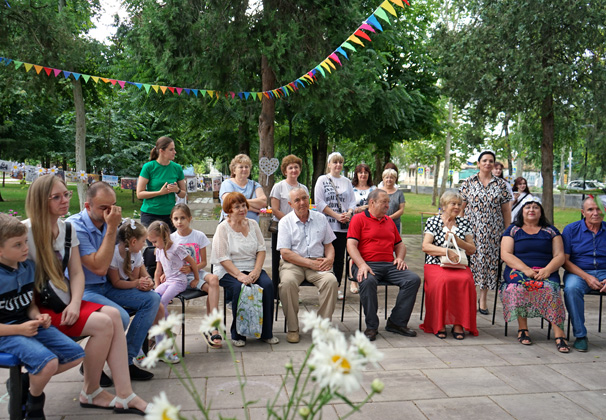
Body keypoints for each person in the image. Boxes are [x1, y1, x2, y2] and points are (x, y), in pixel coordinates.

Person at [25, 176, 150, 414]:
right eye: (57, 197)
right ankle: (91, 390)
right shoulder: (25, 231)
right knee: (110, 320)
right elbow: (16, 281)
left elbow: (76, 274)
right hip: (36, 307)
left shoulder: (67, 229)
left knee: (113, 315)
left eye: (66, 194)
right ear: (41, 201)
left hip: (63, 300)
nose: (64, 200)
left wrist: (74, 303)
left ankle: (124, 394)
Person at [68, 181, 161, 381]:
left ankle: (126, 361)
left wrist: (145, 280)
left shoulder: (112, 223)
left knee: (152, 299)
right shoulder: (76, 226)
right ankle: (92, 364)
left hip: (108, 286)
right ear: (87, 206)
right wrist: (111, 227)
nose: (110, 213)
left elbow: (133, 254)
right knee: (120, 316)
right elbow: (98, 267)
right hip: (84, 290)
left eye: (113, 206)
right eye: (103, 208)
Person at [0, 214, 85, 420]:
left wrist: (38, 317)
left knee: (76, 354)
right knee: (48, 363)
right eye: (17, 245)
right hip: (7, 333)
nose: (25, 248)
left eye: (25, 242)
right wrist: (19, 330)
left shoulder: (28, 268)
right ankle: (34, 405)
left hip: (26, 325)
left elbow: (28, 304)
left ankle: (22, 384)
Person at [346, 189, 421, 341]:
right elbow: (351, 245)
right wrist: (361, 264)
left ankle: (396, 322)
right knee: (367, 281)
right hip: (366, 264)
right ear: (372, 203)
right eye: (384, 202)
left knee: (413, 279)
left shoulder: (389, 221)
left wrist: (399, 258)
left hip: (389, 265)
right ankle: (372, 326)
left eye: (388, 202)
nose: (388, 205)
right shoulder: (358, 219)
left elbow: (400, 245)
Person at [500, 198, 569, 352]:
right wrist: (525, 269)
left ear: (541, 212)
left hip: (545, 270)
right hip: (518, 270)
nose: (531, 210)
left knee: (550, 289)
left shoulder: (551, 231)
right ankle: (523, 329)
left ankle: (559, 333)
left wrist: (547, 270)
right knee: (517, 288)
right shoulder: (513, 230)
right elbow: (506, 254)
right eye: (528, 207)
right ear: (522, 211)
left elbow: (559, 256)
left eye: (535, 207)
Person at [210, 192, 279, 347]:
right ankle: (238, 334)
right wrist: (240, 275)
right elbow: (222, 257)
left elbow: (261, 249)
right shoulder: (223, 228)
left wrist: (256, 271)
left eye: (243, 206)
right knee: (241, 288)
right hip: (228, 270)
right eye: (237, 207)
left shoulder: (253, 224)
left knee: (267, 286)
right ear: (228, 210)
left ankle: (265, 333)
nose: (242, 209)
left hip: (251, 266)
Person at [277, 188, 338, 343]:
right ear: (291, 204)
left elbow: (329, 245)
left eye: (304, 198)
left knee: (331, 282)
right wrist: (309, 263)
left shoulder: (321, 218)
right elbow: (285, 253)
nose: (302, 203)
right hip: (293, 264)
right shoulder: (285, 222)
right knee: (287, 283)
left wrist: (330, 259)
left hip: (318, 262)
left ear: (309, 200)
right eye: (297, 200)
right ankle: (292, 328)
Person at [459, 150, 512, 315]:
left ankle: (483, 301)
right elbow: (461, 207)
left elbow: (506, 211)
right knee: (470, 264)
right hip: (471, 231)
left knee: (488, 266)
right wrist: (459, 227)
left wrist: (508, 232)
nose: (487, 163)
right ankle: (468, 298)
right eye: (484, 161)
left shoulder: (501, 185)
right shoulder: (468, 182)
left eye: (491, 161)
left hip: (493, 232)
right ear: (478, 163)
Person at [420, 191, 478, 339]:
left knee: (465, 280)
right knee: (443, 281)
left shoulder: (465, 223)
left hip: (459, 264)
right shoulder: (433, 221)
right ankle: (439, 324)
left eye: (459, 204)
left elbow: (472, 250)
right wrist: (446, 251)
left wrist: (458, 241)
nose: (457, 207)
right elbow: (426, 246)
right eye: (453, 204)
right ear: (444, 205)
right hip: (436, 263)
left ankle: (459, 323)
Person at [107, 220, 165, 365]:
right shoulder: (114, 254)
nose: (145, 245)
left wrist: (148, 283)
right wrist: (137, 283)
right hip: (113, 290)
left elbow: (141, 276)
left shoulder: (136, 253)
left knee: (154, 299)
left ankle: (138, 347)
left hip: (129, 287)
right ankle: (131, 352)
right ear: (133, 241)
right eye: (143, 241)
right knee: (152, 301)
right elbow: (116, 283)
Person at [170, 204, 222, 348]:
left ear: (190, 219)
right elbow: (166, 262)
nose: (179, 221)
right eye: (176, 218)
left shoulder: (199, 236)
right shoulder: (170, 239)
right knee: (212, 286)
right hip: (178, 277)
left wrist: (192, 269)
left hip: (196, 273)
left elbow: (203, 262)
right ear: (172, 220)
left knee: (214, 280)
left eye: (183, 218)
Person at [562, 196, 606, 352]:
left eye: (598, 209)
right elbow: (564, 261)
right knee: (571, 288)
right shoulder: (571, 230)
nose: (595, 213)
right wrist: (586, 277)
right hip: (579, 272)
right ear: (583, 212)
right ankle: (580, 335)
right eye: (590, 209)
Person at [314, 152, 356, 300]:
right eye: (335, 162)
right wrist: (336, 215)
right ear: (329, 164)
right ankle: (323, 286)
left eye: (340, 162)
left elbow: (352, 201)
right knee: (324, 257)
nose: (338, 165)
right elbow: (319, 203)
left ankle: (337, 286)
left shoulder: (347, 182)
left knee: (339, 258)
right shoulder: (322, 180)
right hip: (327, 225)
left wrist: (349, 213)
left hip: (342, 227)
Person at [269, 155, 309, 296]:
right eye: (290, 168)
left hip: (300, 229)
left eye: (296, 167)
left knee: (294, 260)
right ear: (285, 171)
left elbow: (306, 207)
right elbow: (275, 209)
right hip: (281, 228)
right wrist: (289, 221)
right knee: (277, 262)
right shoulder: (278, 187)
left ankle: (291, 292)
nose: (293, 170)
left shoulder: (303, 188)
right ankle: (276, 293)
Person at [136, 136, 186, 230]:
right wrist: (159, 193)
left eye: (174, 149)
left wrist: (177, 190)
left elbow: (183, 194)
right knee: (153, 244)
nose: (174, 152)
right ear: (161, 151)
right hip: (150, 214)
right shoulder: (149, 167)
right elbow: (139, 194)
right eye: (171, 149)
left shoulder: (177, 168)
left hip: (170, 215)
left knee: (170, 244)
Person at [350, 163, 376, 294]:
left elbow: (376, 204)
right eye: (360, 172)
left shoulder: (373, 189)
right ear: (356, 174)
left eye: (365, 172)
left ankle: (368, 277)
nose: (363, 175)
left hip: (370, 223)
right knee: (353, 249)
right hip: (354, 223)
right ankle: (354, 280)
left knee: (365, 250)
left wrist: (363, 208)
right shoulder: (351, 188)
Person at [219, 154, 266, 222]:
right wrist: (253, 209)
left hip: (251, 228)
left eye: (247, 167)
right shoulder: (227, 184)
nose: (244, 169)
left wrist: (239, 204)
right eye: (241, 167)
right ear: (234, 170)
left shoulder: (255, 185)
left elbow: (263, 202)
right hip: (231, 226)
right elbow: (229, 201)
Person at [381, 168, 406, 233]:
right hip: (379, 223)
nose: (389, 180)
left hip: (394, 224)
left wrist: (389, 218)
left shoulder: (399, 193)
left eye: (391, 178)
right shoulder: (378, 192)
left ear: (395, 179)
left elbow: (401, 210)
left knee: (394, 242)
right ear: (383, 179)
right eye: (387, 177)